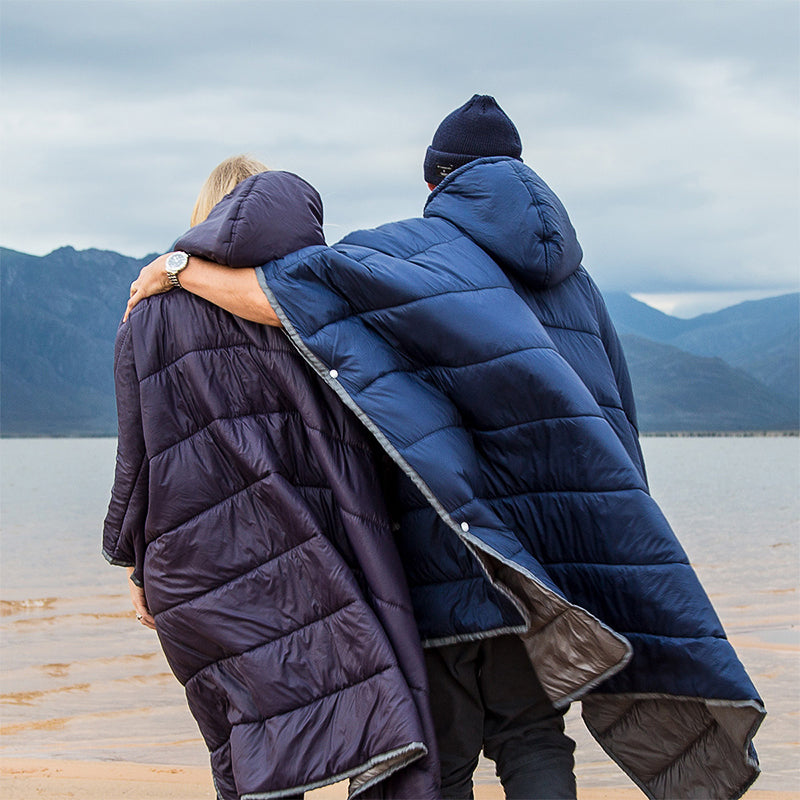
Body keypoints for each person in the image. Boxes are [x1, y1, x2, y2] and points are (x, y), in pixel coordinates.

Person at [127, 99, 764, 800]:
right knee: (533, 738)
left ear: (436, 184)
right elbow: (615, 429)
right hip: (539, 568)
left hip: (438, 556)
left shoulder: (415, 255)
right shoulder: (578, 289)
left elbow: (294, 297)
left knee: (441, 757)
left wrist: (178, 271)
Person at [104, 156, 439, 800]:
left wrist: (135, 568)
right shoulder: (309, 301)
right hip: (313, 554)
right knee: (362, 727)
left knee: (243, 748)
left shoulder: (146, 314)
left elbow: (136, 460)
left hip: (194, 573)